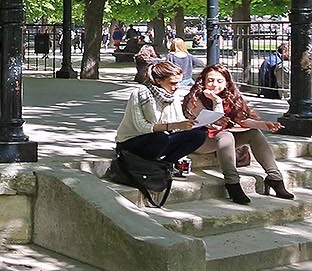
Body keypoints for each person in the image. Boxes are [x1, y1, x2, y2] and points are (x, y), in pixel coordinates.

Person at [183, 64, 294, 204]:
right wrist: (216, 101)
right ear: (203, 81)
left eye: (219, 81)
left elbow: (241, 120)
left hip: (220, 140)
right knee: (225, 135)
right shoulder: (194, 98)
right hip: (198, 141)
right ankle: (232, 183)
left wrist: (264, 124)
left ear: (226, 83)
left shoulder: (230, 96)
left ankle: (275, 178)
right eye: (210, 80)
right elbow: (215, 122)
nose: (214, 84)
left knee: (254, 133)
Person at [114, 60, 208, 177]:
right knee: (160, 138)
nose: (177, 87)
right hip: (132, 141)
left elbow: (179, 120)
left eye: (179, 82)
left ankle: (166, 164)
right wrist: (174, 125)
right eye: (173, 83)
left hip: (162, 138)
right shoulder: (140, 93)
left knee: (199, 134)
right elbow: (142, 127)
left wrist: (195, 124)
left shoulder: (173, 95)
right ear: (158, 81)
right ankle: (151, 166)